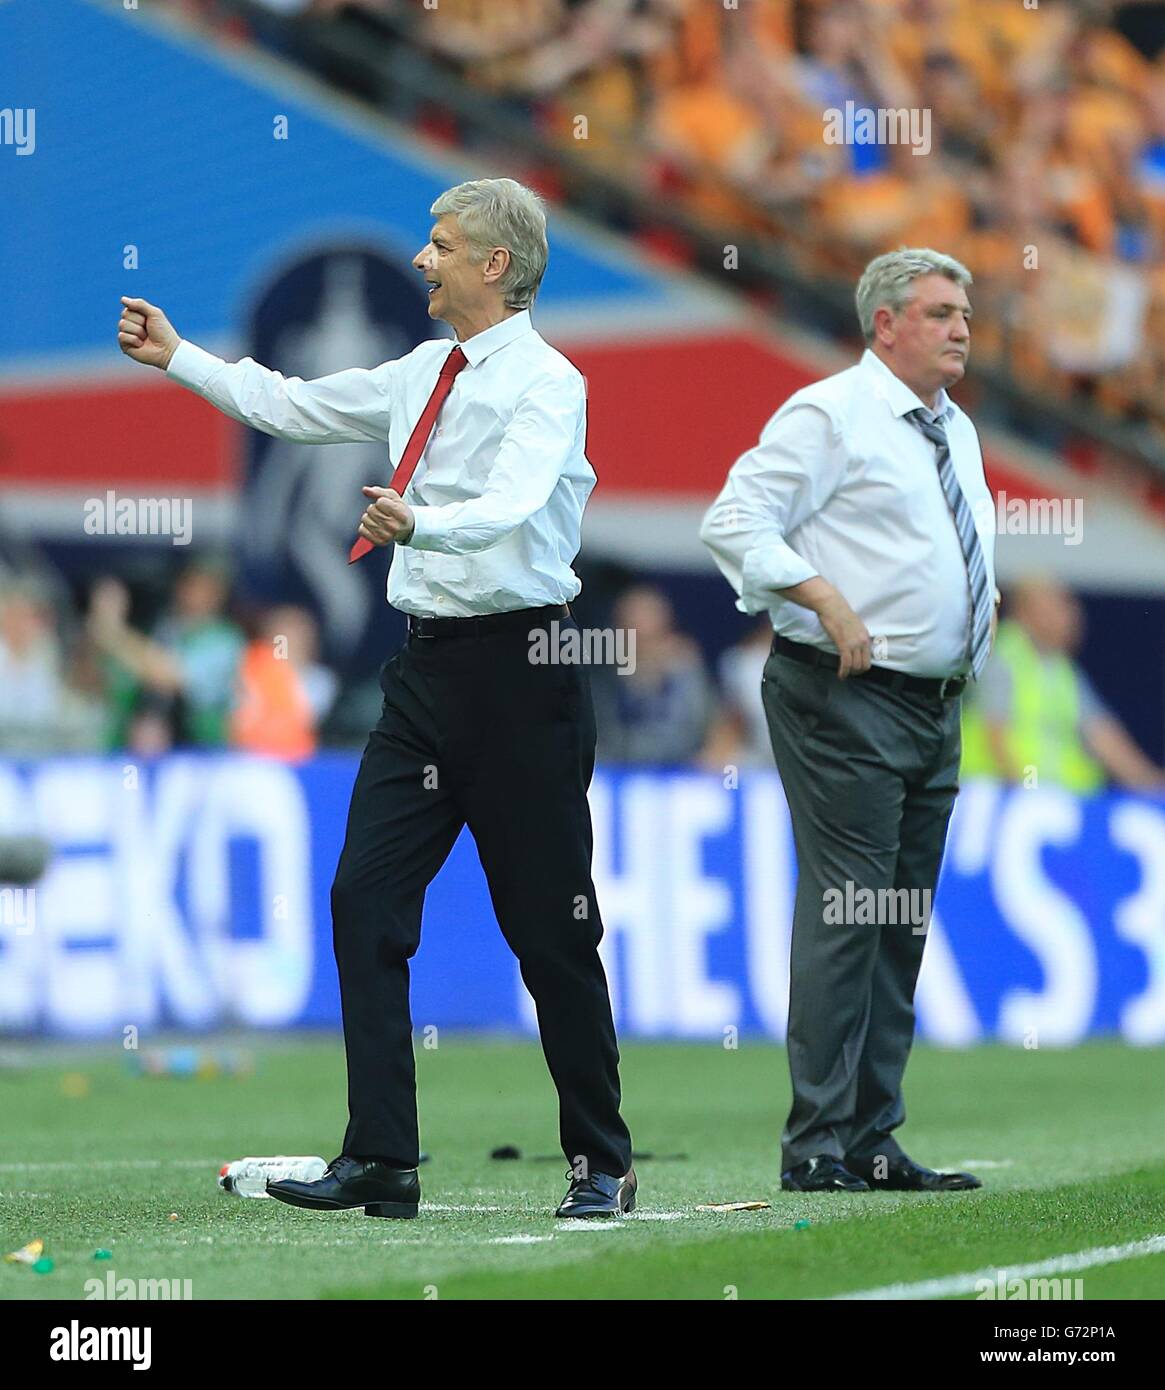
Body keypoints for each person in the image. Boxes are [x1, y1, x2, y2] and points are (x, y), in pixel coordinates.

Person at [117, 177, 635, 1220]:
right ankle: (382, 1157)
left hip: (522, 673)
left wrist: (420, 524)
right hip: (426, 673)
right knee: (363, 900)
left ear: (495, 266)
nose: (420, 260)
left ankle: (601, 1159)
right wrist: (182, 358)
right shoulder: (420, 372)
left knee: (548, 932)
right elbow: (294, 406)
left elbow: (518, 503)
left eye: (439, 244)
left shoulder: (548, 383)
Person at [701, 247, 1000, 1194]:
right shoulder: (831, 413)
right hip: (843, 694)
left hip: (929, 705)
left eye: (964, 313)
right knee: (850, 908)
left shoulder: (952, 429)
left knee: (896, 921)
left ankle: (872, 1137)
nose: (961, 328)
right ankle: (818, 1145)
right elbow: (734, 518)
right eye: (941, 312)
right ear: (885, 323)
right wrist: (822, 595)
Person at [961, 576, 1165, 792]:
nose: (1070, 615)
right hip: (993, 796)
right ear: (1025, 611)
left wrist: (1153, 786)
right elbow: (995, 734)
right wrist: (1025, 793)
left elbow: (1105, 739)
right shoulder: (1003, 658)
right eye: (1056, 604)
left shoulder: (1062, 672)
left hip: (1053, 800)